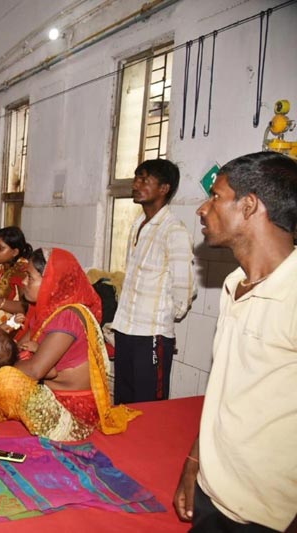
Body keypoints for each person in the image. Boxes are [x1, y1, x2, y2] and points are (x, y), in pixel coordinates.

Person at [173, 152, 297, 532]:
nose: (202, 209)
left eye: (215, 196)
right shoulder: (233, 286)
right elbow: (224, 390)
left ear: (249, 205)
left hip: (267, 516)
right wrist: (195, 463)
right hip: (215, 493)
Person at [0, 248, 139, 441]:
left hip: (72, 414)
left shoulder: (69, 316)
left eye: (30, 277)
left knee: (6, 379)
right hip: (46, 393)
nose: (23, 282)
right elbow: (14, 352)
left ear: (51, 281)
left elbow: (34, 370)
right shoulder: (45, 311)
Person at [111, 159, 195, 404]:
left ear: (164, 188)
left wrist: (163, 317)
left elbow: (185, 287)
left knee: (149, 406)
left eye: (144, 179)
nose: (136, 184)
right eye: (136, 178)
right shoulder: (139, 225)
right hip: (125, 329)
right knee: (123, 402)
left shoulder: (174, 231)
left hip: (151, 335)